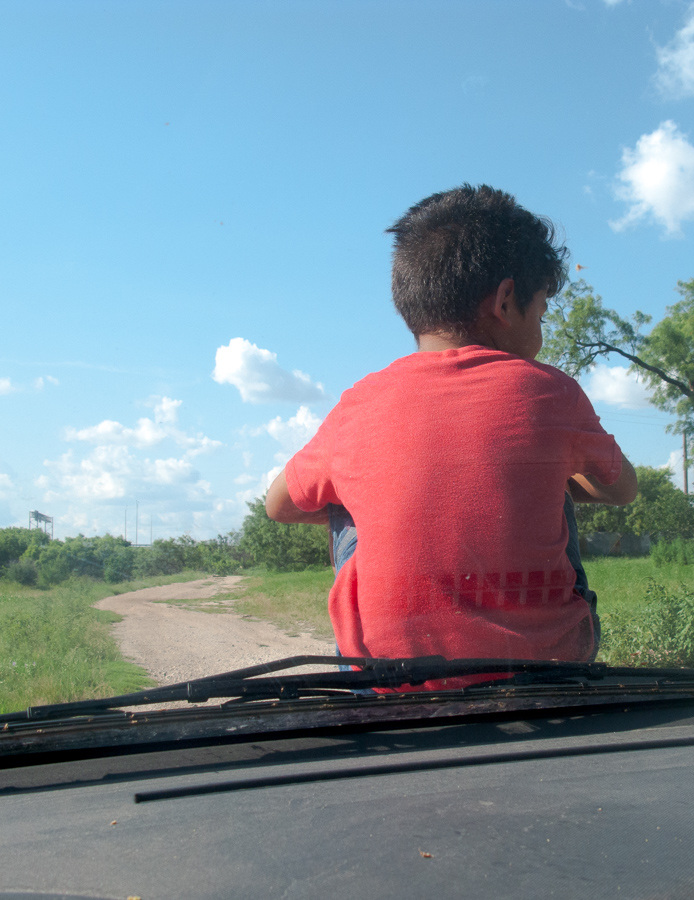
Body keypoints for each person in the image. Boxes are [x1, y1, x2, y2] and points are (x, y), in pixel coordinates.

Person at [265, 184, 637, 672]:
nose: (542, 329)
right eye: (542, 311)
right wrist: (540, 481)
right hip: (548, 671)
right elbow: (621, 490)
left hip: (387, 680)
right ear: (506, 301)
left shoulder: (360, 402)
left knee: (341, 497)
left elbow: (279, 505)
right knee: (559, 481)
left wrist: (384, 499)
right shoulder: (550, 390)